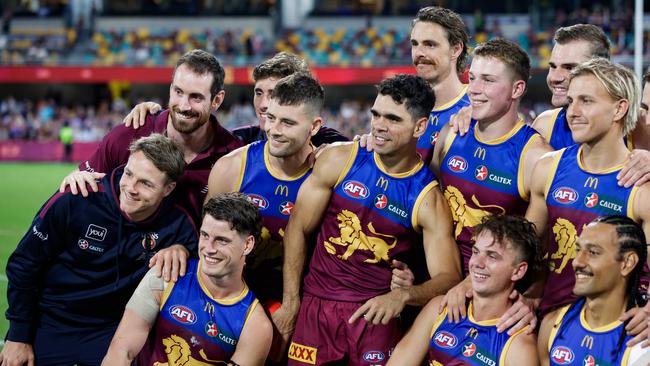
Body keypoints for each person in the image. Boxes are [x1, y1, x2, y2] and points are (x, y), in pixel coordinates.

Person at [273, 74, 461, 365]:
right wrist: (291, 301)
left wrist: (404, 296)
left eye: (393, 119)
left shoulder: (428, 199)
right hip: (316, 309)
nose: (379, 126)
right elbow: (297, 228)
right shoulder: (340, 159)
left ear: (420, 126)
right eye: (376, 114)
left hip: (375, 317)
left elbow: (449, 277)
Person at [1, 134, 198, 365]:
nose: (130, 188)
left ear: (168, 189)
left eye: (146, 183)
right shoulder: (77, 198)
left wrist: (184, 251)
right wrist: (18, 335)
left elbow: (199, 282)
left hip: (114, 332)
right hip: (52, 323)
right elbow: (24, 264)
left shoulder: (178, 226)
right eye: (129, 174)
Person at [59, 49, 243, 228]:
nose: (183, 106)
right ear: (171, 89)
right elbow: (83, 189)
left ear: (217, 101)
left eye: (196, 97)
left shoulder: (234, 156)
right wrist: (76, 179)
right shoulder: (128, 134)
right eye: (178, 92)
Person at [526, 58, 650, 319]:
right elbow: (528, 248)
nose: (572, 111)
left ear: (619, 109)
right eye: (571, 101)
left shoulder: (642, 188)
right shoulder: (547, 168)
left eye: (587, 101)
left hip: (613, 333)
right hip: (550, 320)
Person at [102, 192, 273, 366]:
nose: (208, 248)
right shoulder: (167, 275)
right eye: (205, 235)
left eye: (221, 240)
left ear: (247, 244)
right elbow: (121, 350)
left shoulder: (255, 326)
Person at [430, 38, 552, 274]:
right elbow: (428, 204)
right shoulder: (452, 132)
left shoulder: (535, 157)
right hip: (439, 272)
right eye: (472, 77)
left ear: (517, 89)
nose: (473, 89)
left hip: (491, 285)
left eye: (488, 80)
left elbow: (532, 248)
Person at [206, 72, 323, 305]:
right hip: (235, 301)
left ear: (315, 126)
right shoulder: (231, 167)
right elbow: (207, 244)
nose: (274, 130)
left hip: (302, 304)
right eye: (271, 118)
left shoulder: (329, 172)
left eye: (287, 122)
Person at [388, 214, 542, 365]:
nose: (477, 263)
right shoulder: (439, 309)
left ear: (518, 271)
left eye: (492, 256)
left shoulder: (520, 347)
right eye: (476, 252)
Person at [124, 52, 348, 147]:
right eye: (258, 92)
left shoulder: (330, 145)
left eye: (274, 94)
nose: (262, 105)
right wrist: (158, 116)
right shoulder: (236, 143)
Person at [530, 24, 650, 188]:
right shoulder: (545, 126)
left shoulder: (639, 126)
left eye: (570, 67)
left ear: (599, 69)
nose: (554, 77)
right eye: (553, 66)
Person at [538, 216, 648, 365]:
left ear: (627, 263)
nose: (577, 262)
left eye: (593, 252)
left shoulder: (642, 346)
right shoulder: (552, 325)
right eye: (578, 250)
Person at [410, 6, 471, 163]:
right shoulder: (402, 106)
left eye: (430, 44)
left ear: (455, 49)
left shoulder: (478, 109)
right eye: (415, 44)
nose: (419, 53)